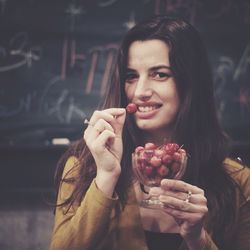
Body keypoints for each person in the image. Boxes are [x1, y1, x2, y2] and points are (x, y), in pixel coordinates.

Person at [50, 15, 250, 250]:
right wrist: (106, 177)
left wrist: (198, 240)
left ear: (191, 83)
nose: (140, 91)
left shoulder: (238, 181)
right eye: (131, 76)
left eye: (160, 74)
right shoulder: (84, 166)